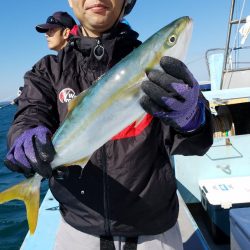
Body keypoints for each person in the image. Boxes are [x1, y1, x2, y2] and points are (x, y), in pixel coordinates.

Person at [4, 1, 213, 249]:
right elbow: (31, 112)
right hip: (78, 231)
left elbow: (197, 144)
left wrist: (193, 119)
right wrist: (25, 135)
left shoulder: (167, 75)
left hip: (154, 234)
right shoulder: (48, 71)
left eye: (171, 42)